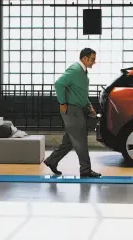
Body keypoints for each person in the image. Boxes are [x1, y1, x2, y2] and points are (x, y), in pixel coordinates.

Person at [43, 48, 101, 178]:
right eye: (92, 59)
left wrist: (89, 106)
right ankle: (85, 169)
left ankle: (52, 160)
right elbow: (59, 84)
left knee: (69, 141)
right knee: (81, 140)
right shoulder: (75, 70)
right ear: (84, 58)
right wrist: (62, 103)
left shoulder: (83, 72)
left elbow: (81, 92)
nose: (94, 62)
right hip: (72, 110)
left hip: (78, 109)